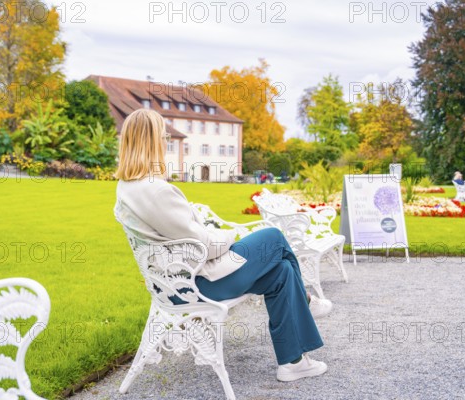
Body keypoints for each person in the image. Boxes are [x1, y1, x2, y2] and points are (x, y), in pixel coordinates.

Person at [113, 109, 330, 382]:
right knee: (274, 237)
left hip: (178, 282)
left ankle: (293, 362)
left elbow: (186, 236)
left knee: (282, 272)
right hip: (198, 286)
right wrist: (230, 237)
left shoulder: (127, 187)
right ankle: (307, 302)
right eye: (163, 136)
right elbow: (204, 244)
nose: (165, 141)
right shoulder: (155, 190)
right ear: (152, 141)